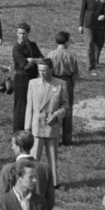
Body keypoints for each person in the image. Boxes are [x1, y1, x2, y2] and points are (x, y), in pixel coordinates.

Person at [23, 58, 68, 188]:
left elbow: (66, 106)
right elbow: (29, 106)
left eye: (45, 70)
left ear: (51, 70)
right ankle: (30, 181)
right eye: (40, 71)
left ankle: (54, 182)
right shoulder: (32, 83)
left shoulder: (60, 84)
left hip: (51, 126)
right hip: (36, 126)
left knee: (52, 156)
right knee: (33, 157)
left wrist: (56, 115)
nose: (42, 73)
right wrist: (27, 127)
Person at [0, 130, 55, 210]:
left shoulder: (8, 169)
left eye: (13, 145)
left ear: (19, 147)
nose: (11, 147)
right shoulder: (45, 168)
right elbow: (50, 199)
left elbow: (2, 200)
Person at [46, 31, 79, 146]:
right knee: (67, 110)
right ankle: (67, 138)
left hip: (55, 81)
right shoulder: (72, 55)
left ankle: (54, 136)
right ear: (66, 42)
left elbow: (47, 71)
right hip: (68, 82)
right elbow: (75, 73)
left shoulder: (51, 54)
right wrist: (71, 84)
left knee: (54, 108)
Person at [10, 23, 43, 134]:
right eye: (19, 33)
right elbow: (25, 65)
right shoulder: (16, 48)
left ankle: (30, 128)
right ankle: (18, 132)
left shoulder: (33, 45)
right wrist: (34, 61)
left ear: (28, 33)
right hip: (22, 78)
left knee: (33, 103)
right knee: (20, 105)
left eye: (24, 33)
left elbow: (42, 58)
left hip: (33, 77)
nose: (22, 36)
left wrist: (30, 60)